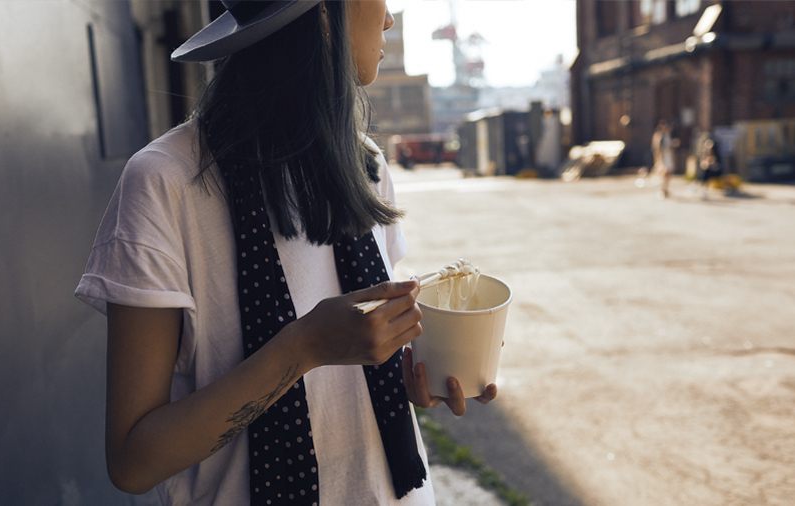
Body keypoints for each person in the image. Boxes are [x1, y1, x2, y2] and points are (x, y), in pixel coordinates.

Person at [74, 1, 498, 505]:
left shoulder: (363, 163)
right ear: (324, 14)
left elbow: (346, 378)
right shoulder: (165, 182)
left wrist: (411, 374)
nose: (389, 18)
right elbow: (132, 461)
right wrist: (302, 349)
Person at [651, 120, 675, 199]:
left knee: (668, 174)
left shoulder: (668, 136)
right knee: (663, 174)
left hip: (668, 156)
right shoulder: (660, 136)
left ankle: (665, 189)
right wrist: (659, 160)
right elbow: (658, 149)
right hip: (663, 157)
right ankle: (662, 189)